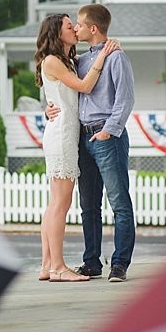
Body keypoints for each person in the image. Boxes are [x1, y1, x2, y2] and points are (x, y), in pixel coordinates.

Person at [46, 3, 137, 283]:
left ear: (92, 28)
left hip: (107, 138)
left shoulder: (116, 57)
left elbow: (125, 99)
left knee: (119, 202)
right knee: (89, 205)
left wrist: (109, 131)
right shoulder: (81, 61)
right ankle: (92, 262)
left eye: (80, 25)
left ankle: (119, 264)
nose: (76, 28)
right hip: (82, 138)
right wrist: (47, 109)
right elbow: (67, 91)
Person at [34, 14, 119, 282]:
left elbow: (58, 95)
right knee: (61, 204)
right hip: (61, 137)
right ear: (57, 34)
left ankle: (47, 265)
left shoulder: (66, 61)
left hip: (64, 135)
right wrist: (102, 58)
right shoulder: (53, 61)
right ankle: (59, 267)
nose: (75, 29)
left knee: (55, 204)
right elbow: (83, 86)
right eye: (70, 27)